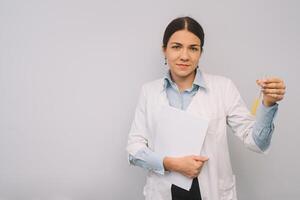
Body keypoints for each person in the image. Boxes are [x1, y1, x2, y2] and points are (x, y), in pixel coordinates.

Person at [126, 16, 286, 200]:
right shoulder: (149, 92)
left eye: (193, 48)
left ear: (200, 52)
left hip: (211, 192)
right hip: (163, 191)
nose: (184, 56)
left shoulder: (223, 88)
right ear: (164, 50)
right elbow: (134, 149)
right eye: (176, 47)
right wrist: (171, 164)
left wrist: (268, 104)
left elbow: (258, 143)